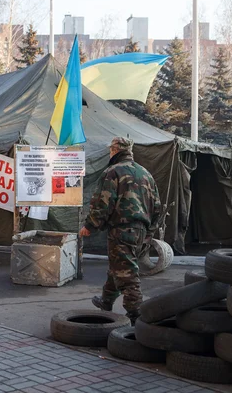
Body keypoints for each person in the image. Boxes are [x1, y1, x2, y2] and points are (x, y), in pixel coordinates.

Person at [79, 137, 161, 324]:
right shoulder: (145, 173)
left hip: (121, 230)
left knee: (127, 274)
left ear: (114, 150)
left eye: (110, 150)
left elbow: (103, 203)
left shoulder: (112, 172)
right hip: (141, 231)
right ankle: (106, 301)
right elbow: (157, 206)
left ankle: (137, 317)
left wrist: (90, 226)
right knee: (119, 266)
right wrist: (149, 232)